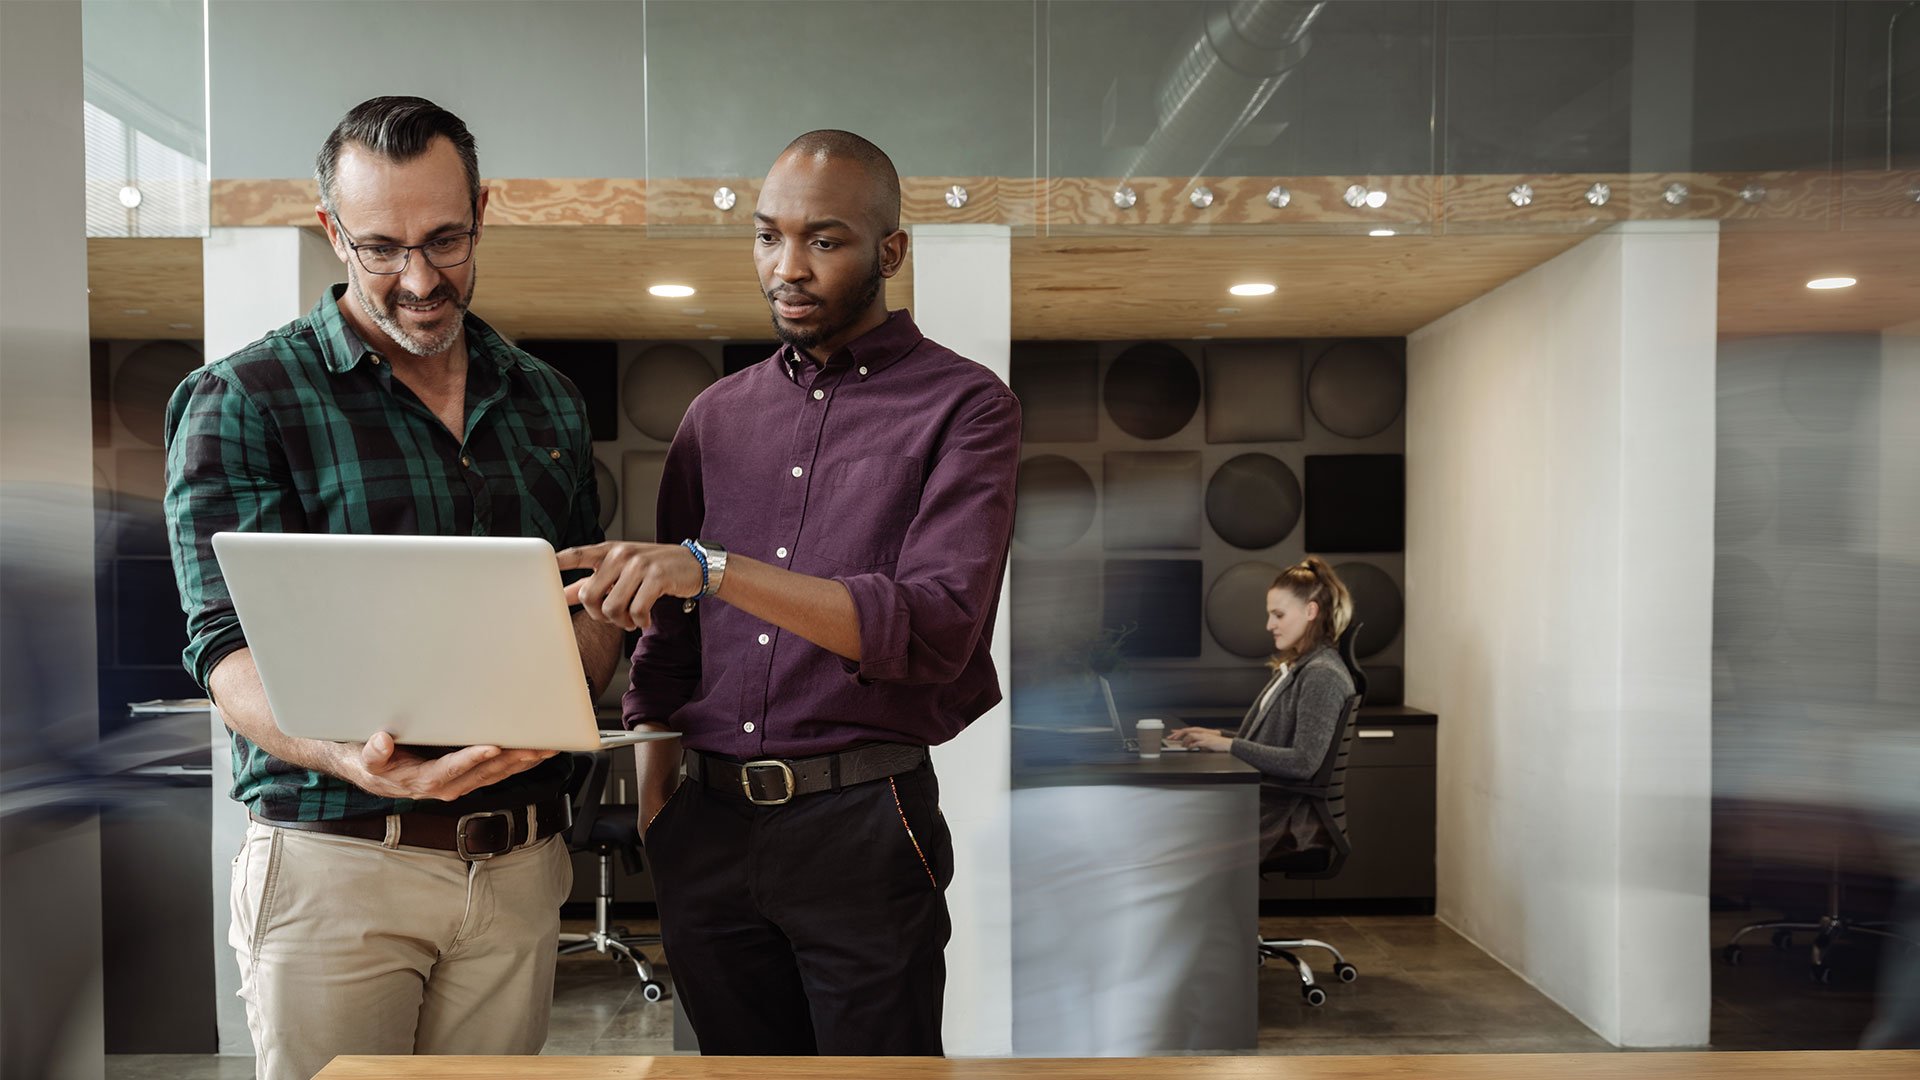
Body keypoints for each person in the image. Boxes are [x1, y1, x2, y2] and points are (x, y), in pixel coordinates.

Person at [163, 96, 622, 1080]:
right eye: (380, 247)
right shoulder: (244, 400)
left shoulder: (547, 400)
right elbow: (220, 647)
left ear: (484, 211)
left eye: (446, 239)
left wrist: (573, 684)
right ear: (331, 230)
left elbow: (581, 616)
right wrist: (345, 756)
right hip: (337, 863)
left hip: (521, 866)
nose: (419, 279)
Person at [556, 129, 1021, 1056]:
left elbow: (933, 627)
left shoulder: (967, 408)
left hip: (864, 825)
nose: (787, 267)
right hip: (708, 828)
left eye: (824, 239)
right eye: (769, 236)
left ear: (890, 252)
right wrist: (660, 816)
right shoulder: (713, 420)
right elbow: (667, 643)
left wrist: (717, 566)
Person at [1170, 557, 1356, 859]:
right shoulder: (1301, 666)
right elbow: (1272, 744)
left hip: (1287, 820)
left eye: (1278, 615)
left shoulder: (1321, 674)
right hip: (1267, 806)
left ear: (1311, 611)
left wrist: (1229, 745)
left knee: (1172, 824)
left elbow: (1303, 761)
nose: (1269, 625)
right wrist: (1216, 736)